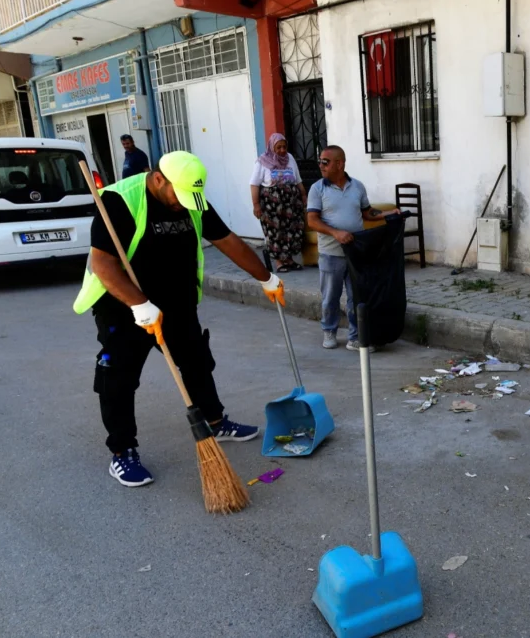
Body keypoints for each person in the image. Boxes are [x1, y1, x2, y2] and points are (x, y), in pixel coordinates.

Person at [73, 151, 286, 487]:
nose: (184, 205)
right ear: (158, 179)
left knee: (198, 361)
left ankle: (214, 421)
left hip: (177, 303)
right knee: (119, 378)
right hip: (125, 305)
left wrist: (265, 278)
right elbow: (103, 265)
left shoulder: (191, 197)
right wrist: (140, 305)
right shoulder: (119, 201)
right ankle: (123, 452)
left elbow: (226, 239)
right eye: (178, 196)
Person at [305, 145, 398, 350]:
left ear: (339, 164)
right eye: (320, 161)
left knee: (357, 296)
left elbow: (367, 212)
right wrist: (336, 233)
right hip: (331, 253)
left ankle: (355, 336)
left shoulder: (357, 186)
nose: (321, 165)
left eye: (325, 162)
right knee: (330, 296)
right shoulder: (317, 189)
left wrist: (388, 214)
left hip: (356, 252)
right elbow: (312, 221)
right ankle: (329, 331)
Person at [250, 133, 306, 273]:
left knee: (292, 230)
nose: (282, 150)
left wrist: (304, 195)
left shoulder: (290, 158)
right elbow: (254, 184)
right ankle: (279, 262)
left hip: (292, 202)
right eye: (278, 147)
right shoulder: (262, 161)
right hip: (271, 205)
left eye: (284, 147)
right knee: (275, 231)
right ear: (271, 147)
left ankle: (290, 260)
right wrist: (256, 205)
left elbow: (297, 178)